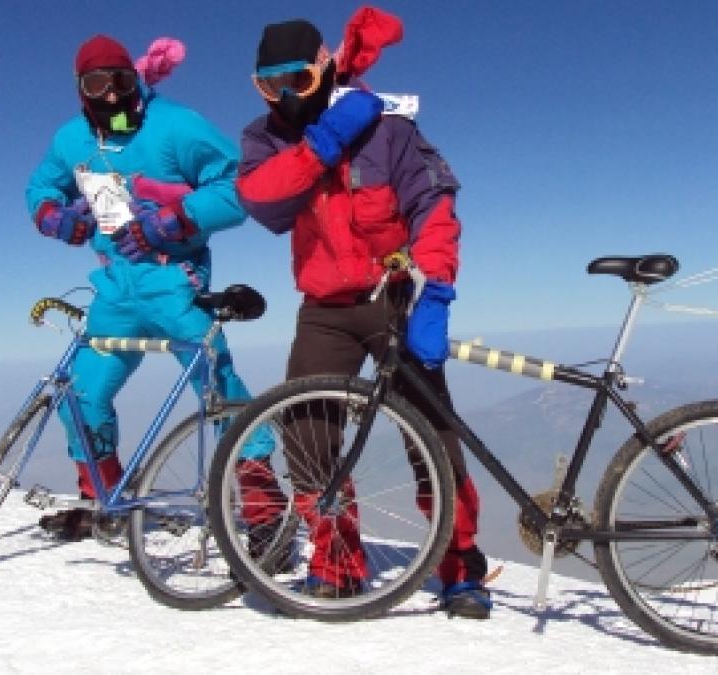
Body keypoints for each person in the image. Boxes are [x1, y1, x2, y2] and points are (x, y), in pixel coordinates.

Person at [235, 16, 492, 619]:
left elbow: (433, 203)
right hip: (324, 309)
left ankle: (459, 563)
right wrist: (320, 143)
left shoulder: (390, 130)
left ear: (323, 67)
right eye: (271, 86)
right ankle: (338, 563)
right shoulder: (264, 138)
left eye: (298, 78)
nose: (288, 95)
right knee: (305, 430)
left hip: (393, 296)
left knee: (431, 429)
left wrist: (436, 290)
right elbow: (262, 201)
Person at [25, 34, 272, 540]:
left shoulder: (176, 125)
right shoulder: (72, 139)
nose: (113, 95)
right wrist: (54, 217)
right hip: (114, 292)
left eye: (122, 80)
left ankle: (265, 510)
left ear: (135, 77)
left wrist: (175, 222)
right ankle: (104, 499)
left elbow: (239, 186)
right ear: (81, 89)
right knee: (81, 393)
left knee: (217, 385)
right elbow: (41, 187)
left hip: (173, 285)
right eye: (99, 84)